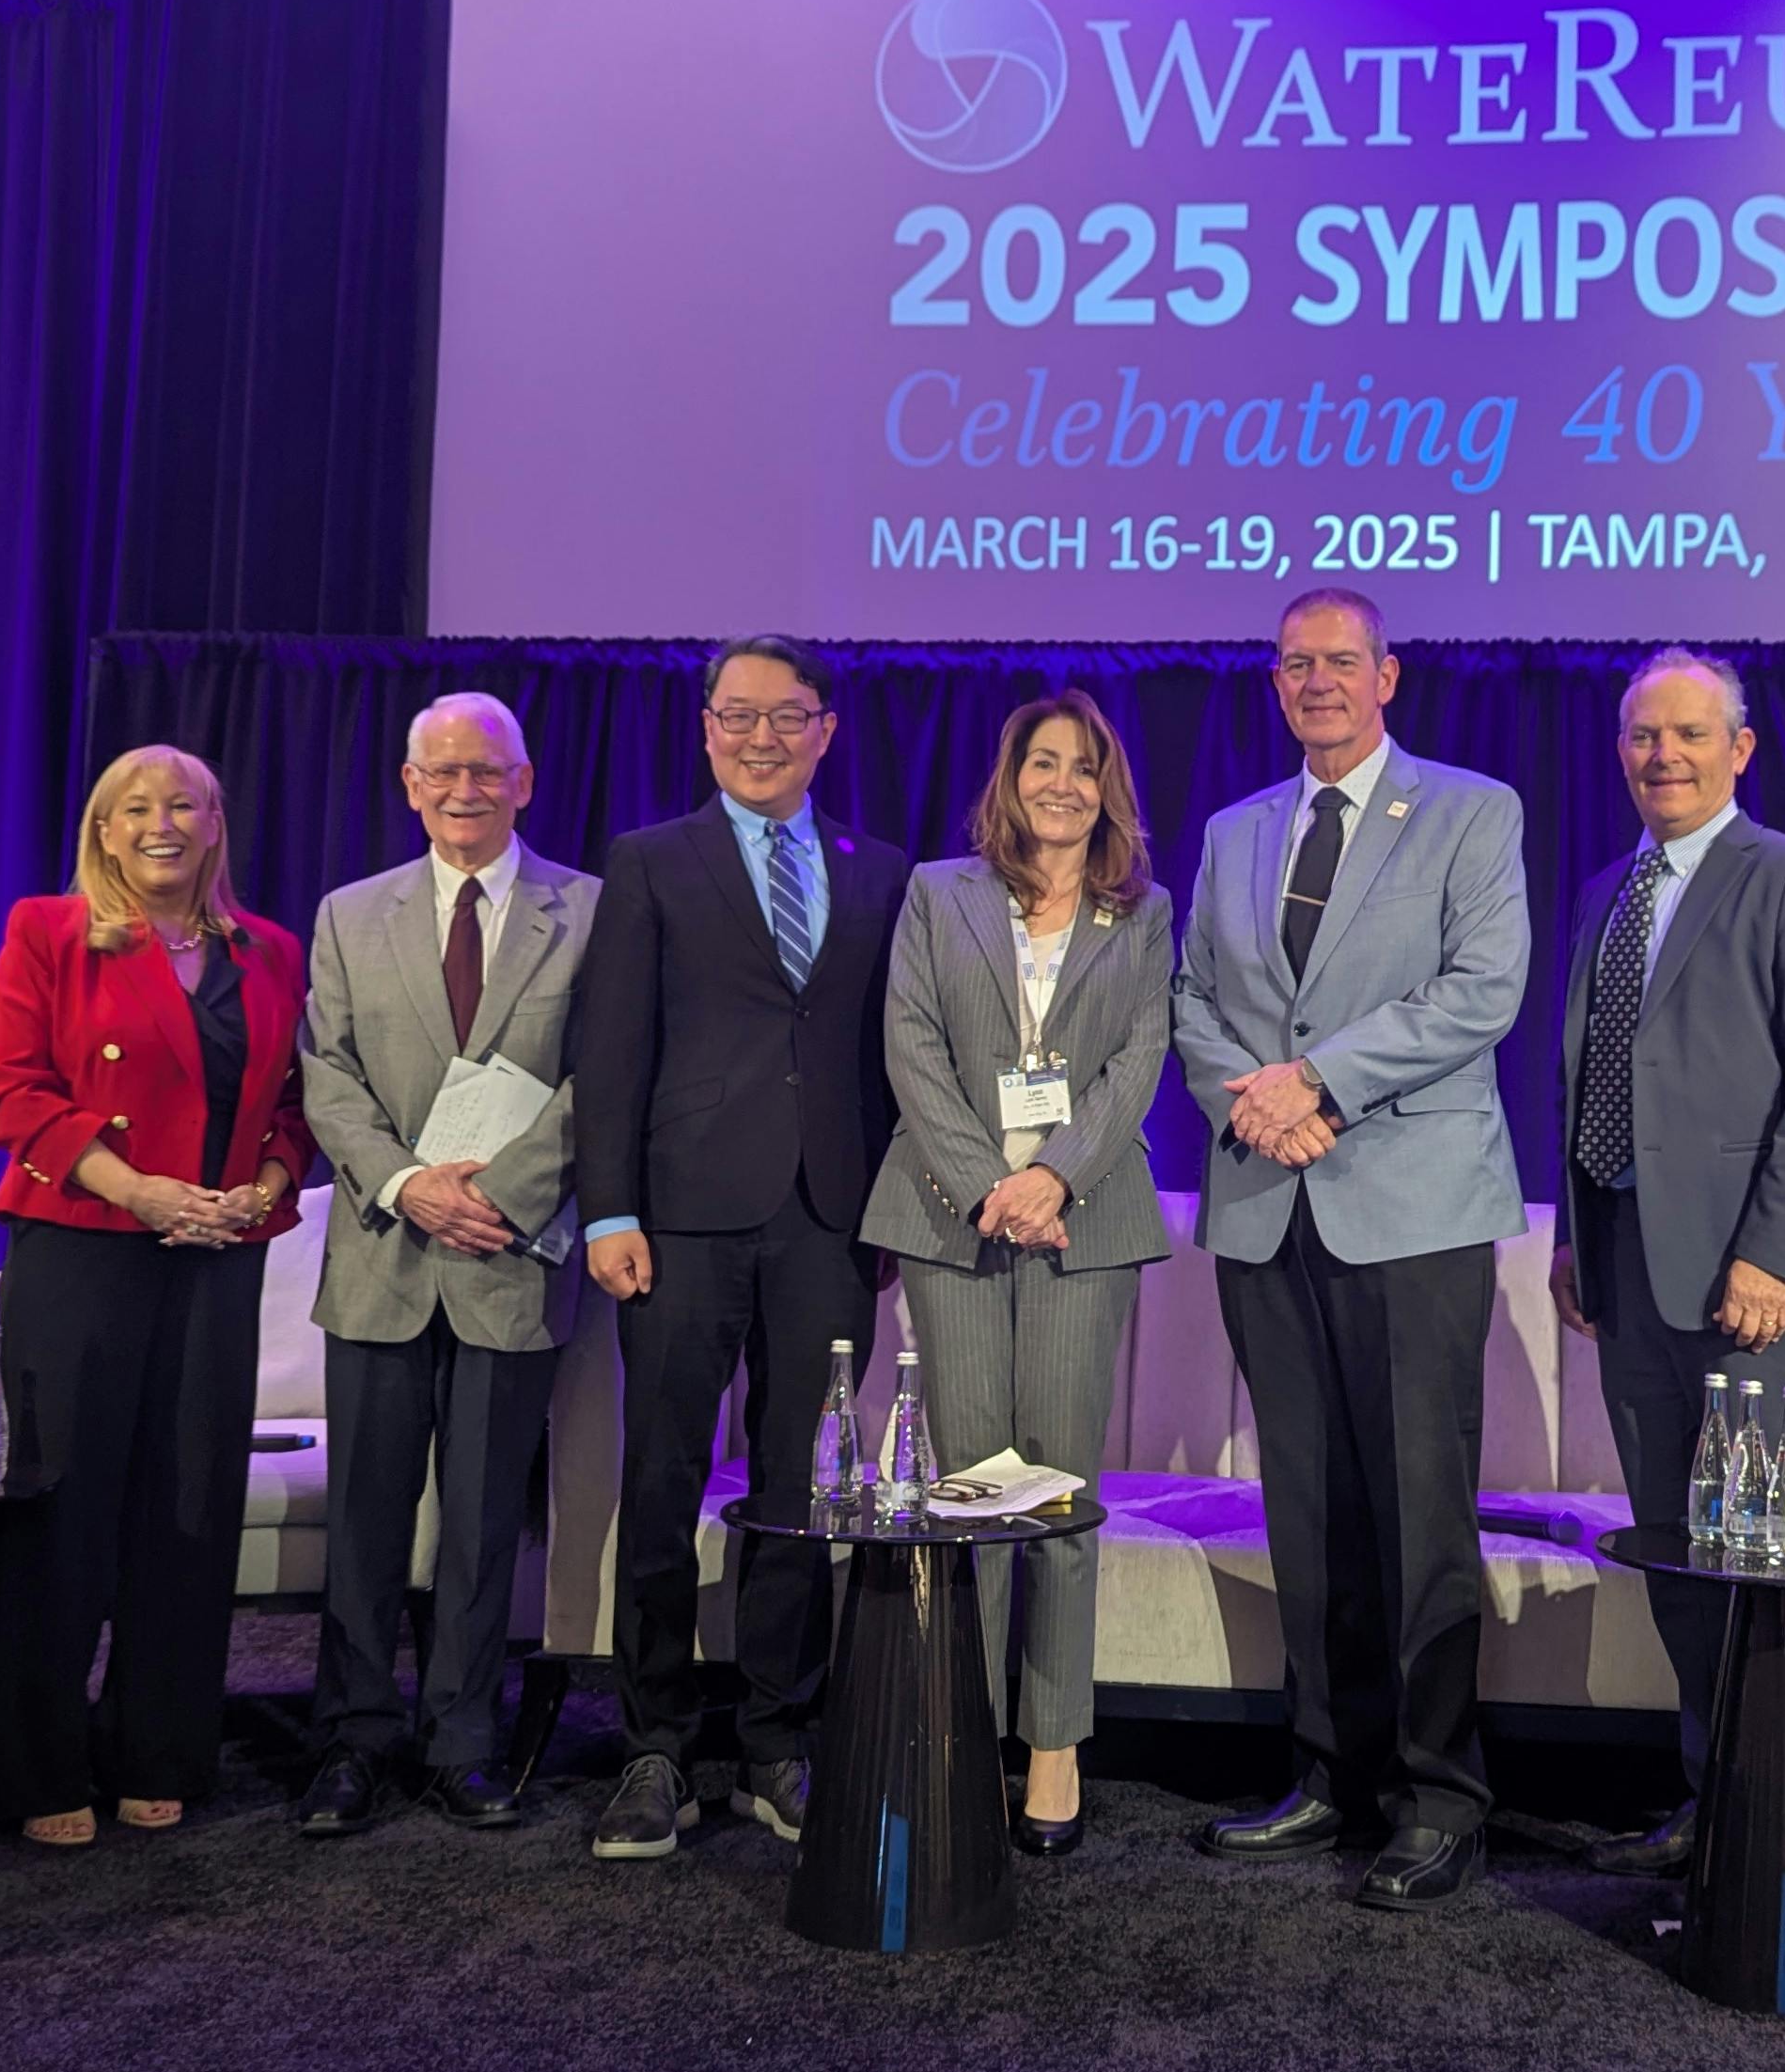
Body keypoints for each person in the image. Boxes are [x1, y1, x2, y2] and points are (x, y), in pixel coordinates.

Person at [1172, 587, 1531, 1912]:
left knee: (1420, 1510)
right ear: (1275, 684)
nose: (1316, 680)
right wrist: (1252, 1102)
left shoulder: (1471, 810)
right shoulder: (1234, 830)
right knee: (1309, 1506)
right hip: (1267, 1199)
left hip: (1413, 1207)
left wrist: (1316, 1080)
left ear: (1388, 675)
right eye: (1294, 664)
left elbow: (1482, 989)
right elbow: (1192, 997)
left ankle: (1440, 1796)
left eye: (1340, 660)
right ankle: (1329, 1770)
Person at [570, 635, 912, 1860]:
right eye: (738, 715)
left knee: (801, 1492)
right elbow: (610, 1048)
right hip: (678, 1224)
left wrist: (894, 1210)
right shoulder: (650, 860)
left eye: (786, 716)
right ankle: (656, 1746)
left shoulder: (882, 871)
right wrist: (608, 1209)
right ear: (706, 726)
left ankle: (777, 1739)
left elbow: (894, 1055)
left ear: (826, 729)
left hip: (829, 1220)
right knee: (661, 1482)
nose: (761, 737)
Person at [1545, 650, 1785, 1877]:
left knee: (1773, 1567)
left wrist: (1773, 1253)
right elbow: (1590, 1081)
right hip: (1632, 1274)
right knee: (1683, 1558)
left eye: (1691, 734)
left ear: (1739, 749)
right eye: (1645, 735)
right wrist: (1578, 1241)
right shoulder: (1608, 891)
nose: (1665, 755)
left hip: (1757, 1288)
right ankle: (1717, 1801)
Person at [0, 744, 312, 1848]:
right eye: (136, 808)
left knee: (189, 1503)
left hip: (218, 1247)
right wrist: (139, 1190)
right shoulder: (48, 931)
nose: (160, 823)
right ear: (104, 832)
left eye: (183, 804)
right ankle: (35, 1767)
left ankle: (157, 1748)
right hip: (85, 1242)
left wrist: (266, 1185)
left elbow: (295, 1105)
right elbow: (13, 1090)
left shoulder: (270, 951)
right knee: (63, 1506)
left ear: (215, 824)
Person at [859, 690, 1174, 1857]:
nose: (1062, 785)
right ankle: (966, 1734)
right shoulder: (939, 892)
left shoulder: (1143, 912)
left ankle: (1053, 1747)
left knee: (1059, 1488)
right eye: (1044, 763)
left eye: (1084, 768)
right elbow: (911, 1045)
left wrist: (1054, 1180)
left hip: (1083, 1224)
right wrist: (991, 1184)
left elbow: (1141, 1057)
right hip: (953, 1218)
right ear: (1011, 776)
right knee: (970, 1488)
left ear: (1107, 790)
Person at [288, 692, 602, 1835]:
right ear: (410, 786)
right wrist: (408, 1184)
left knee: (481, 1522)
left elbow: (603, 1076)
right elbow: (326, 1074)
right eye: (443, 771)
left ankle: (464, 1740)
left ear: (525, 783)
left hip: (511, 1258)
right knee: (365, 1519)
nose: (465, 789)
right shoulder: (348, 914)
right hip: (384, 1255)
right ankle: (352, 1739)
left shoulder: (592, 911)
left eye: (487, 770)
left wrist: (503, 1198)